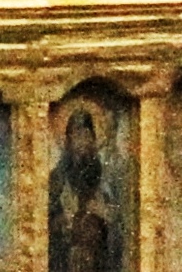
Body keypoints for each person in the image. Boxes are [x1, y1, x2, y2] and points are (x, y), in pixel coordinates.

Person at [48, 102, 120, 272]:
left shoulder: (106, 176)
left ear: (93, 139)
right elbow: (43, 223)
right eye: (76, 135)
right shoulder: (57, 178)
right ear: (68, 140)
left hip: (99, 258)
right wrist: (62, 220)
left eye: (86, 135)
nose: (81, 142)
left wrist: (105, 213)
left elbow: (121, 220)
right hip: (66, 259)